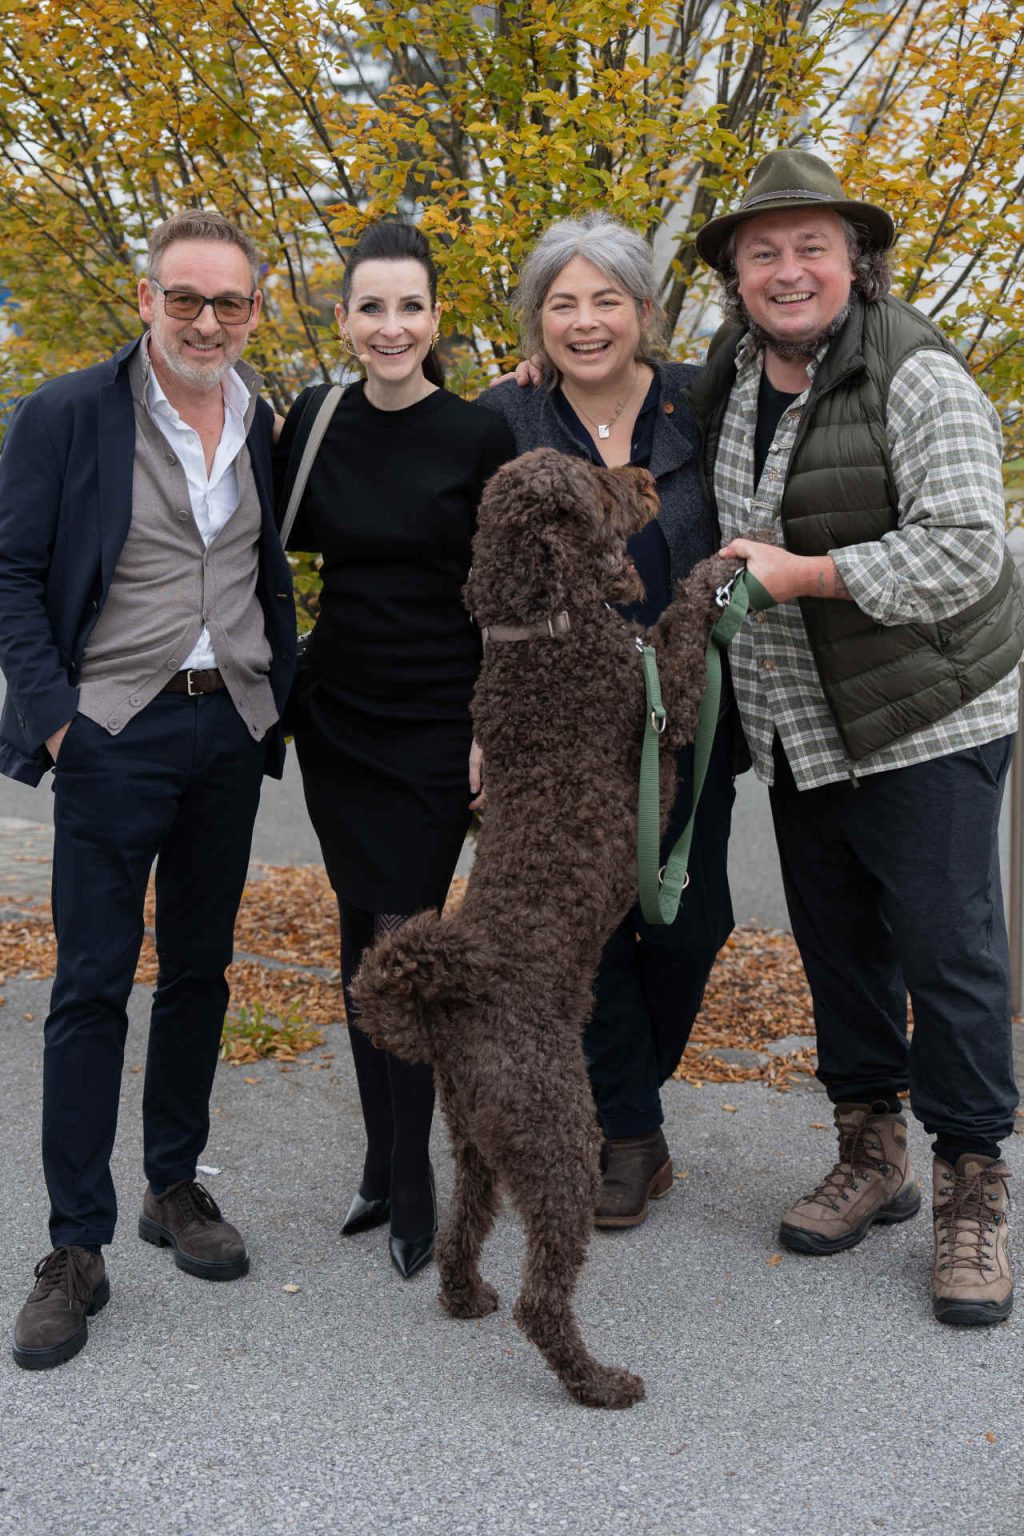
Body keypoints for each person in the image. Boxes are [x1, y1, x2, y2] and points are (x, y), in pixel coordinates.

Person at [691, 147, 1021, 1324]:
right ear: (735, 274)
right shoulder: (730, 370)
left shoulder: (917, 374)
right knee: (839, 946)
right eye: (762, 252)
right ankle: (868, 1147)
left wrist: (805, 573)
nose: (788, 271)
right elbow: (623, 397)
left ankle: (974, 1188)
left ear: (852, 260)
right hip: (803, 723)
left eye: (810, 248)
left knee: (949, 952)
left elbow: (964, 547)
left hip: (927, 713)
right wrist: (535, 376)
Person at [0, 210, 296, 1369]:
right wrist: (62, 722)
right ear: (146, 300)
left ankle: (173, 1186)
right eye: (187, 299)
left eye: (229, 303)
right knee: (88, 985)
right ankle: (74, 1247)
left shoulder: (268, 421)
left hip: (228, 726)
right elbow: (15, 572)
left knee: (203, 969)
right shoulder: (70, 412)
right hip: (113, 732)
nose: (206, 321)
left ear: (255, 311)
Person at [478, 213, 737, 1228]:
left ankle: (621, 1098)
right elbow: (485, 579)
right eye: (562, 304)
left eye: (605, 301)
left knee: (688, 919)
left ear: (643, 310)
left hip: (685, 716)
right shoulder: (504, 420)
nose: (585, 323)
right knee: (581, 933)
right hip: (553, 726)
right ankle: (625, 1131)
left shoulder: (698, 408)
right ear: (536, 321)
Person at [274, 221, 514, 1279]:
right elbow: (255, 544)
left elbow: (505, 598)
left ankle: (415, 1181)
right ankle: (380, 1159)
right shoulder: (314, 422)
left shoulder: (477, 435)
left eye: (408, 306)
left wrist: (486, 728)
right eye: (369, 307)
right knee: (355, 928)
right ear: (344, 321)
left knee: (404, 938)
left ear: (435, 319)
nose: (389, 326)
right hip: (339, 717)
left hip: (433, 726)